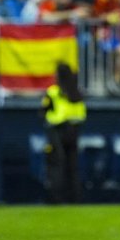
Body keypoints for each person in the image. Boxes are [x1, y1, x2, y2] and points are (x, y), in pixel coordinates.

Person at [41, 63, 87, 204]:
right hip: (74, 131)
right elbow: (81, 113)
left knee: (57, 165)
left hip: (57, 131)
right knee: (72, 166)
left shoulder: (54, 92)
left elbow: (44, 110)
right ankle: (74, 197)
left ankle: (57, 198)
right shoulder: (76, 92)